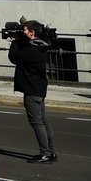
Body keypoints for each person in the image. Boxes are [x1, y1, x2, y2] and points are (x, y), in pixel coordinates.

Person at [9, 20, 56, 163]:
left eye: (24, 30)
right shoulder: (40, 45)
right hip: (40, 88)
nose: (22, 32)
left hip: (31, 89)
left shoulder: (30, 49)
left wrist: (15, 42)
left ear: (32, 32)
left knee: (37, 122)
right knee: (44, 121)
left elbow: (14, 57)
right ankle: (51, 152)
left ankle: (45, 153)